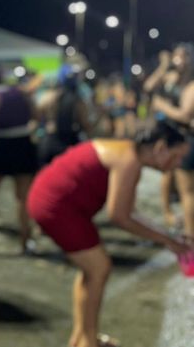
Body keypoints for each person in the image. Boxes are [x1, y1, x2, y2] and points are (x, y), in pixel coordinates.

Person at [26, 120, 193, 347]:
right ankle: (88, 341)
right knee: (98, 268)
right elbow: (120, 216)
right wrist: (169, 241)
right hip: (55, 207)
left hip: (55, 202)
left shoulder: (127, 153)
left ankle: (82, 336)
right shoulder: (128, 161)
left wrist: (168, 237)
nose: (178, 163)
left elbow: (128, 212)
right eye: (176, 156)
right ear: (160, 147)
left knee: (93, 270)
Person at [0, 66, 37, 253]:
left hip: (2, 147)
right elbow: (37, 117)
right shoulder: (23, 94)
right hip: (23, 144)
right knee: (24, 199)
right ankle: (26, 241)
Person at [150, 44, 194, 237]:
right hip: (173, 137)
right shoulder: (173, 78)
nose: (179, 60)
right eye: (176, 56)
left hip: (187, 139)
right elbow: (149, 86)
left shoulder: (191, 84)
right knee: (169, 175)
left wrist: (162, 106)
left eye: (183, 56)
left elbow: (184, 115)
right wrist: (163, 66)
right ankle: (169, 214)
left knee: (187, 191)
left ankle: (190, 236)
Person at [36, 65, 92, 167]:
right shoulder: (78, 101)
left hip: (50, 141)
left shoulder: (48, 97)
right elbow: (85, 124)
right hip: (69, 143)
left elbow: (37, 117)